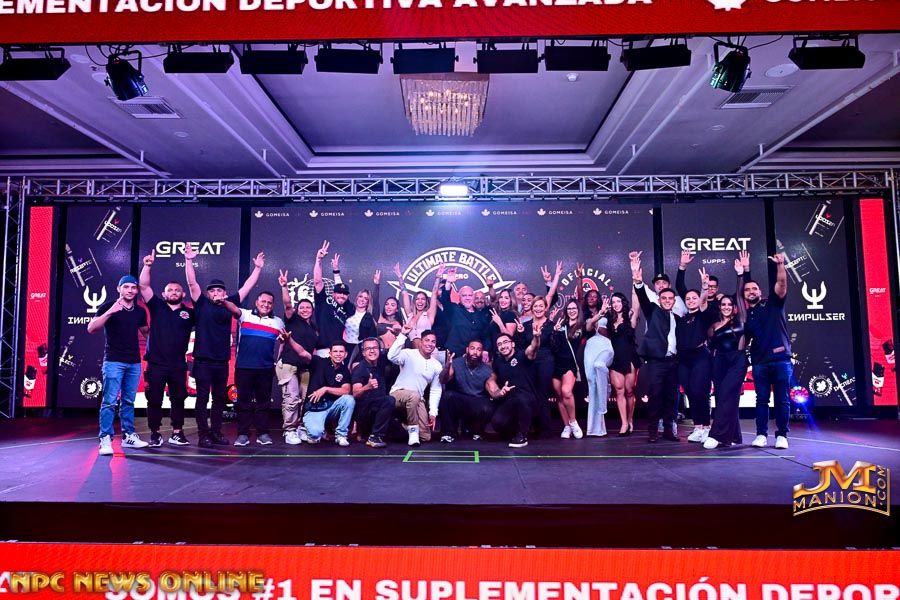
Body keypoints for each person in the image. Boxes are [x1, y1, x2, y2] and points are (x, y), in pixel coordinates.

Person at [185, 246, 264, 447]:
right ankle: (203, 434)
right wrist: (188, 260)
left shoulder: (230, 303)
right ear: (208, 293)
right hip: (202, 361)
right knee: (202, 398)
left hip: (221, 361)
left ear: (225, 293)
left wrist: (258, 268)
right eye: (213, 290)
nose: (216, 293)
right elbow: (192, 282)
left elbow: (247, 287)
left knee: (219, 399)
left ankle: (216, 432)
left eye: (219, 290)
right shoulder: (201, 303)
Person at [138, 249, 195, 448]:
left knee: (179, 399)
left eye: (177, 290)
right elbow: (143, 285)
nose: (174, 292)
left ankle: (177, 433)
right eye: (170, 290)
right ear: (164, 294)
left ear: (183, 294)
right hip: (156, 364)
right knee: (154, 399)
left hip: (178, 365)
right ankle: (155, 433)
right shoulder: (157, 306)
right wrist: (147, 266)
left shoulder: (189, 313)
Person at [88, 275, 151, 455]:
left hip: (134, 362)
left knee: (128, 401)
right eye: (126, 287)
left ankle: (128, 436)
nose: (130, 290)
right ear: (119, 289)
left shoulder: (140, 311)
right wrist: (110, 312)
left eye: (133, 287)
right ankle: (105, 439)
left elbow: (147, 334)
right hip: (113, 361)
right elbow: (91, 329)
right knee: (109, 402)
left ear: (137, 290)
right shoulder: (108, 306)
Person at [223, 290, 285, 446]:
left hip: (265, 368)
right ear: (256, 303)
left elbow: (284, 342)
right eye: (263, 301)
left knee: (263, 403)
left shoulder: (278, 322)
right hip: (244, 367)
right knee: (243, 402)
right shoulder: (245, 315)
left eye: (269, 303)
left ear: (273, 305)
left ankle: (262, 433)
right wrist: (223, 300)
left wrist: (277, 361)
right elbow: (233, 308)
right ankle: (243, 434)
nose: (266, 305)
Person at [743, 252, 792, 450]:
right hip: (759, 362)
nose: (751, 291)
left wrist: (780, 265)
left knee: (782, 399)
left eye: (754, 288)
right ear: (744, 295)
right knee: (761, 400)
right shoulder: (747, 315)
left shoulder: (773, 302)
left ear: (760, 291)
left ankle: (782, 435)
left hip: (780, 359)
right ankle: (761, 434)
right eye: (747, 290)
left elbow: (781, 284)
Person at [632, 252, 680, 443]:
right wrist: (638, 282)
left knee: (671, 397)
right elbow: (643, 299)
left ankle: (669, 430)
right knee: (655, 396)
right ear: (659, 300)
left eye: (670, 298)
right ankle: (653, 431)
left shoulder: (678, 318)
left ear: (674, 301)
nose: (667, 300)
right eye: (664, 298)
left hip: (673, 363)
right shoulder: (653, 311)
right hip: (656, 363)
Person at [704, 253, 750, 449]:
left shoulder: (740, 321)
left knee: (726, 395)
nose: (726, 307)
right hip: (719, 362)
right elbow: (708, 344)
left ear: (734, 307)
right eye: (723, 304)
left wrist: (741, 275)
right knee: (725, 397)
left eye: (729, 304)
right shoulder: (714, 326)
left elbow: (740, 296)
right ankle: (734, 436)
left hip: (737, 360)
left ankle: (716, 435)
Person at [674, 251, 715, 443]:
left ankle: (706, 427)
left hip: (701, 356)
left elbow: (704, 301)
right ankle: (698, 427)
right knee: (690, 392)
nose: (691, 300)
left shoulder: (704, 315)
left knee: (701, 391)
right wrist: (682, 266)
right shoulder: (682, 318)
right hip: (684, 358)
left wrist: (704, 288)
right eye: (688, 298)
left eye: (694, 298)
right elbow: (679, 286)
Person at [277, 269, 316, 446]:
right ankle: (289, 430)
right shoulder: (292, 320)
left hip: (305, 367)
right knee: (292, 398)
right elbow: (287, 304)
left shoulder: (314, 328)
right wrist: (284, 286)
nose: (305, 310)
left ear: (312, 310)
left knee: (305, 398)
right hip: (288, 364)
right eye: (302, 307)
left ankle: (300, 427)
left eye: (308, 307)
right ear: (298, 310)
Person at [388, 323, 444, 446]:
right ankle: (413, 432)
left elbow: (436, 390)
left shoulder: (436, 365)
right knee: (414, 395)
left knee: (425, 436)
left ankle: (399, 425)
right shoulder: (408, 353)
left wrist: (433, 412)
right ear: (420, 342)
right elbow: (391, 356)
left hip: (417, 399)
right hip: (398, 394)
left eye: (433, 341)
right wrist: (402, 335)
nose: (430, 344)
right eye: (427, 340)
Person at [487, 329, 541, 448]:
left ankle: (522, 435)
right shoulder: (498, 363)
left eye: (505, 342)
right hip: (510, 401)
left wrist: (536, 337)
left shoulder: (522, 355)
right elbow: (491, 380)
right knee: (497, 423)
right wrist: (499, 392)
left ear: (513, 344)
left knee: (522, 399)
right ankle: (516, 430)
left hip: (528, 400)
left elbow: (533, 349)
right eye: (499, 344)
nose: (503, 346)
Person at [598, 292, 640, 436]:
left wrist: (635, 285)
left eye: (618, 301)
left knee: (629, 391)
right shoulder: (609, 320)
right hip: (615, 359)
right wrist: (601, 313)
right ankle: (623, 423)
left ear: (623, 302)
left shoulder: (630, 317)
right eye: (613, 302)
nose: (616, 304)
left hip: (629, 357)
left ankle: (630, 420)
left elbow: (636, 306)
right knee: (619, 391)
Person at [438, 340, 494, 443]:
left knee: (489, 406)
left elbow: (493, 390)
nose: (475, 352)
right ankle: (448, 433)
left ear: (482, 353)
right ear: (467, 350)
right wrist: (447, 366)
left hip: (476, 400)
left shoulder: (487, 370)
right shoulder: (456, 363)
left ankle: (477, 431)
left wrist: (501, 392)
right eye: (472, 348)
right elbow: (443, 380)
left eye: (478, 349)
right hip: (460, 399)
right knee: (447, 396)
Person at [303, 341, 356, 446]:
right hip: (315, 408)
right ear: (330, 353)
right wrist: (289, 340)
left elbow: (346, 390)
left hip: (332, 409)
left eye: (341, 351)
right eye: (335, 351)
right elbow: (302, 353)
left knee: (349, 399)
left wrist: (325, 389)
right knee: (314, 437)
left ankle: (341, 435)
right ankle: (305, 428)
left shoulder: (344, 371)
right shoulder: (319, 362)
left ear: (345, 354)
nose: (338, 354)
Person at [351, 338, 394, 448]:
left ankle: (374, 433)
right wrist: (367, 387)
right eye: (368, 349)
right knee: (389, 400)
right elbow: (355, 393)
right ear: (363, 353)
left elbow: (395, 352)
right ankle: (374, 436)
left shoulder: (381, 362)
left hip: (379, 411)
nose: (372, 351)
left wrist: (402, 334)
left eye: (375, 348)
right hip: (365, 412)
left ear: (379, 350)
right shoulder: (359, 369)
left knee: (401, 436)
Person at [551, 299, 585, 439]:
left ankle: (573, 422)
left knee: (566, 392)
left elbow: (591, 325)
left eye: (574, 308)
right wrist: (554, 332)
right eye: (569, 309)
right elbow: (554, 345)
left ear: (578, 310)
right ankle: (566, 426)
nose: (572, 311)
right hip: (556, 363)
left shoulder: (582, 326)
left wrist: (599, 314)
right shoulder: (561, 324)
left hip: (570, 364)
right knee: (559, 396)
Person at [440, 270, 492, 359]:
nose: (467, 298)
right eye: (464, 296)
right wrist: (448, 282)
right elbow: (445, 299)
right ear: (459, 298)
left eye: (470, 295)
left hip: (474, 358)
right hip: (455, 356)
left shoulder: (481, 315)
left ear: (473, 297)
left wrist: (486, 350)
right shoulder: (453, 309)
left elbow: (486, 335)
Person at [313, 240, 351, 358]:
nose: (342, 295)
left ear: (348, 296)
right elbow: (317, 282)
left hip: (340, 353)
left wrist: (336, 271)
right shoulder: (324, 301)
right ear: (333, 294)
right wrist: (318, 260)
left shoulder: (348, 309)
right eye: (339, 293)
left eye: (345, 294)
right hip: (323, 351)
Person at [393, 262, 443, 351]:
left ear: (426, 302)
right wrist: (399, 276)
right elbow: (404, 294)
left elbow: (434, 293)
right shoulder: (410, 314)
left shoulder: (429, 314)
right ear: (414, 301)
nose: (420, 301)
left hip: (427, 352)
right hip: (412, 352)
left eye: (423, 299)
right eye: (417, 299)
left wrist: (438, 275)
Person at [583, 328, 614, 437]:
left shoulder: (610, 316)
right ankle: (594, 428)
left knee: (599, 365)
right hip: (591, 346)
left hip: (606, 345)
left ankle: (603, 403)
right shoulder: (587, 318)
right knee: (592, 384)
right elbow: (587, 327)